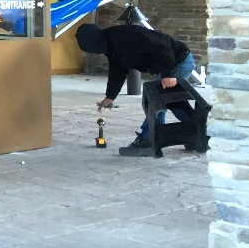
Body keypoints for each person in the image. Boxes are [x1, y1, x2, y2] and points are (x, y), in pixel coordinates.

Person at [75, 23, 195, 153]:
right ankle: (197, 134)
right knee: (172, 101)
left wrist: (168, 75)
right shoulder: (112, 47)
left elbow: (162, 47)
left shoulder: (127, 35)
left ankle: (149, 139)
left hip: (179, 61)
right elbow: (118, 72)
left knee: (156, 98)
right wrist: (110, 97)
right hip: (171, 64)